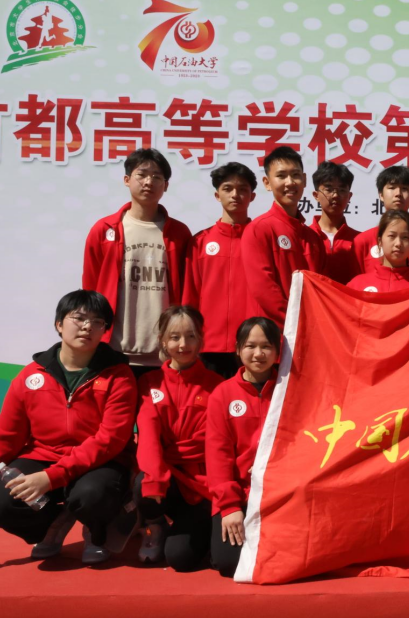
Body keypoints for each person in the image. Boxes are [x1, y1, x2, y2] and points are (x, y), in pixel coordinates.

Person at [0, 290, 137, 564]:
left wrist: (52, 477)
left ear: (104, 331)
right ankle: (53, 523)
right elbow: (8, 436)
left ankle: (96, 533)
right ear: (59, 324)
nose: (87, 327)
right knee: (3, 499)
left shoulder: (119, 375)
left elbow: (110, 440)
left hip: (99, 462)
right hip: (44, 455)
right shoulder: (30, 375)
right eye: (79, 318)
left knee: (93, 495)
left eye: (97, 322)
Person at [82, 148, 191, 377]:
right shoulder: (104, 230)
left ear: (166, 185)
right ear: (127, 179)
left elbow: (187, 291)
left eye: (157, 177)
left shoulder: (179, 234)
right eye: (141, 175)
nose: (148, 182)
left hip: (165, 354)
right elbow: (91, 288)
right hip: (113, 350)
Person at [135, 306, 223, 570]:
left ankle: (202, 529)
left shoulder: (218, 385)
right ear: (163, 340)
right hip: (167, 479)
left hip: (203, 483)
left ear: (201, 339)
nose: (183, 344)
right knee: (142, 483)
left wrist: (171, 449)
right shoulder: (149, 382)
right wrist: (155, 480)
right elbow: (149, 435)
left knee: (181, 559)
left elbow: (209, 441)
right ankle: (155, 525)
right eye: (175, 337)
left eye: (191, 336)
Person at [206, 317, 281, 578]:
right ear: (238, 350)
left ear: (277, 352)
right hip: (239, 494)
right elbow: (217, 455)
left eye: (266, 346)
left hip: (279, 493)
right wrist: (229, 507)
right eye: (250, 346)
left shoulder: (290, 389)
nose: (258, 354)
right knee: (229, 564)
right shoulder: (222, 394)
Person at [184, 162, 257, 378]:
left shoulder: (261, 239)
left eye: (242, 189)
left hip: (252, 345)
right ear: (217, 195)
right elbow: (190, 295)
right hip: (209, 346)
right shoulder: (200, 242)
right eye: (228, 188)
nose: (235, 195)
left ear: (252, 196)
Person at [240, 146, 326, 328]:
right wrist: (295, 323)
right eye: (281, 176)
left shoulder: (313, 237)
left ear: (304, 180)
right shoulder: (259, 229)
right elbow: (264, 289)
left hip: (309, 331)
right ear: (267, 183)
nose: (290, 182)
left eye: (295, 175)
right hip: (271, 333)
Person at [353, 166, 409, 277]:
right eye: (392, 187)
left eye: (404, 189)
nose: (398, 194)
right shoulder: (362, 241)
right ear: (381, 195)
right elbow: (356, 283)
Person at [308, 161, 360, 285]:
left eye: (342, 190)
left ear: (349, 196)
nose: (335, 195)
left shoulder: (360, 240)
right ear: (316, 195)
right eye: (329, 189)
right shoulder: (305, 237)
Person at [348, 211, 409, 293]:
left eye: (405, 237)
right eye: (392, 236)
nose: (398, 243)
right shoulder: (357, 285)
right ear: (380, 241)